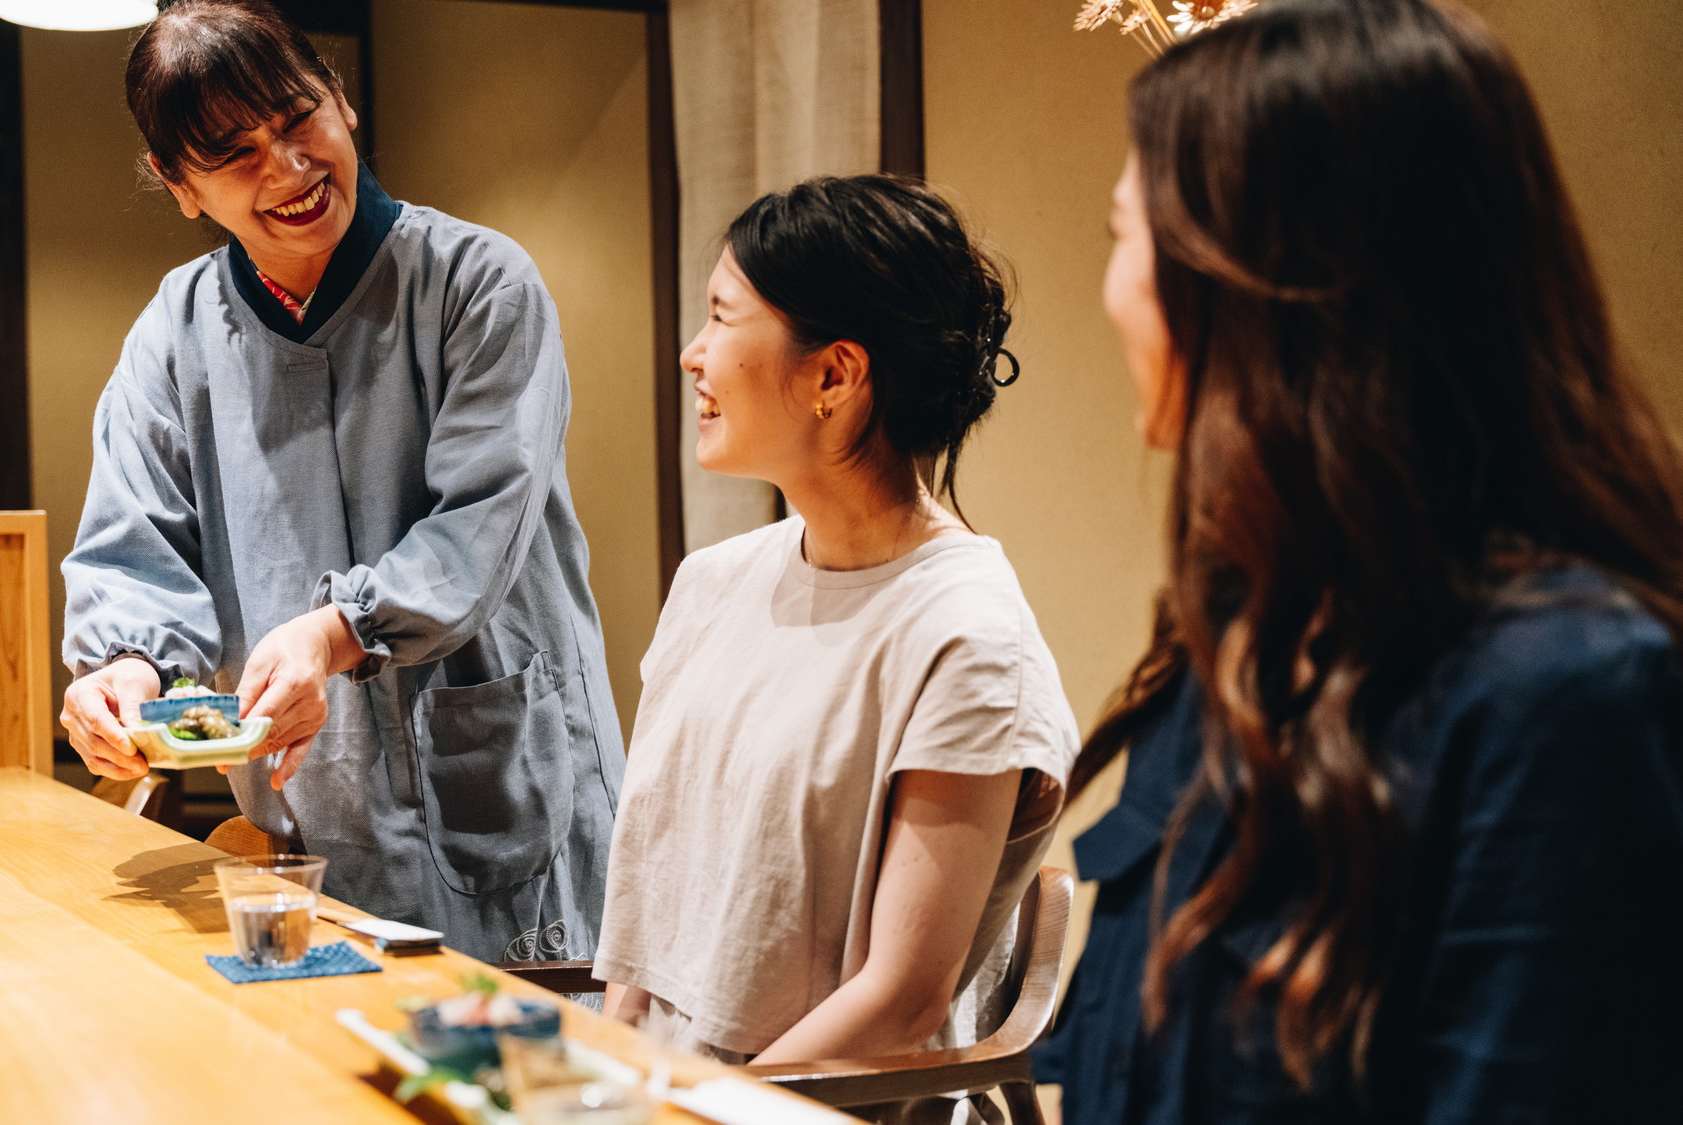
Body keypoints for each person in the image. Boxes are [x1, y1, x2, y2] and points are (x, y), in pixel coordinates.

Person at [1034, 1, 1683, 1122]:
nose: (1112, 292)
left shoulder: (1563, 698)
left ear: (1254, 283)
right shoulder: (1236, 646)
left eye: (1121, 235)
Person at [58, 0, 625, 965]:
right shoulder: (177, 329)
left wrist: (338, 629)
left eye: (297, 119)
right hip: (309, 802)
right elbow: (136, 538)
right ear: (178, 185)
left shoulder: (478, 282)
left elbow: (480, 522)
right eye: (235, 154)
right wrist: (126, 670)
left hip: (504, 770)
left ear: (342, 102)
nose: (287, 168)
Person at [592, 175, 1081, 1123]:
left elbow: (903, 998)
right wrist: (614, 1082)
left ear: (833, 375)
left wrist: (687, 1108)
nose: (693, 355)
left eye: (721, 317)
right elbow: (650, 926)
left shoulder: (965, 636)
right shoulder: (713, 582)